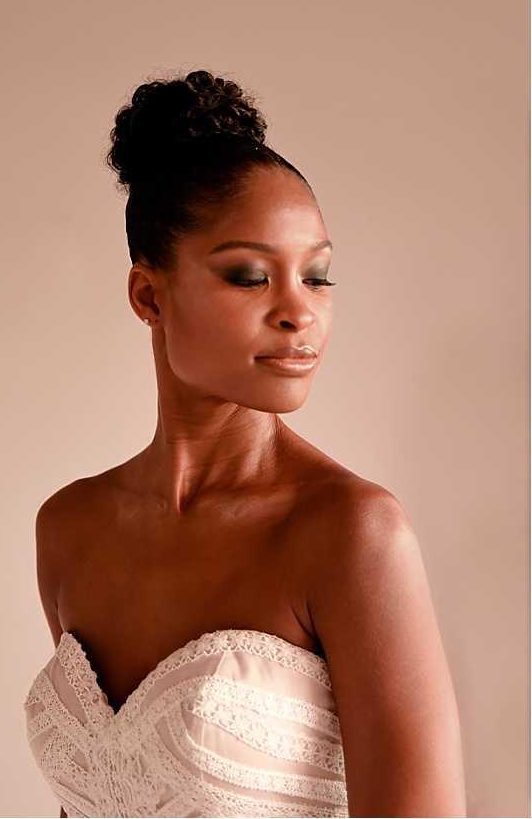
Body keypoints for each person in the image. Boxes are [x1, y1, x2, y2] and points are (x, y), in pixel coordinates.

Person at [23, 69, 466, 818]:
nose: (300, 312)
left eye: (318, 276)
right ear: (149, 295)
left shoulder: (352, 533)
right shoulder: (68, 529)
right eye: (251, 276)